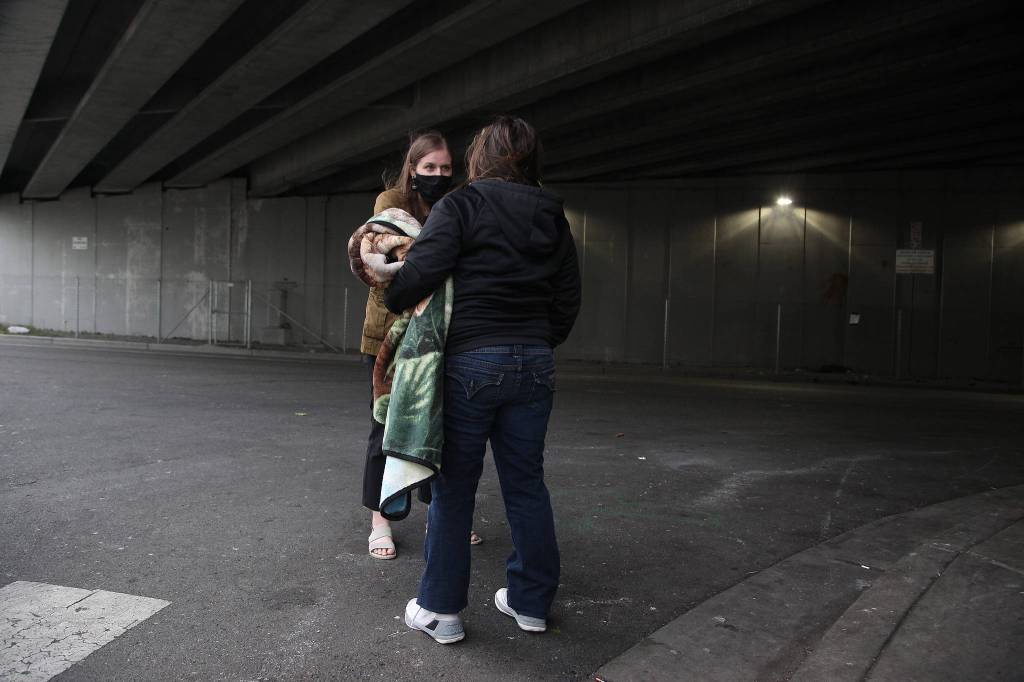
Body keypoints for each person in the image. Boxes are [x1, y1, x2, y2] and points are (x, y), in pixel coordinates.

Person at [384, 116, 581, 643]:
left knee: (454, 489)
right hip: (534, 361)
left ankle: (441, 610)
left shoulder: (461, 205)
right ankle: (530, 603)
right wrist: (535, 341)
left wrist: (393, 291)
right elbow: (567, 299)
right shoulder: (553, 215)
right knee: (526, 486)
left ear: (480, 157)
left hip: (471, 359)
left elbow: (421, 271)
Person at [361, 131, 482, 559]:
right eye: (429, 167)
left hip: (438, 336)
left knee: (440, 428)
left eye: (445, 168)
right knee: (385, 426)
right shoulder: (389, 201)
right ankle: (381, 520)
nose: (437, 175)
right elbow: (386, 259)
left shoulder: (456, 203)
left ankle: (441, 515)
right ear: (412, 169)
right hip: (389, 337)